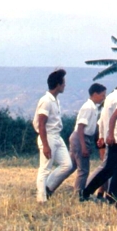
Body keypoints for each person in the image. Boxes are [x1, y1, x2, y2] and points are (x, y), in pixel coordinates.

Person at [33, 69, 73, 203]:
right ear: (58, 84)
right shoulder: (46, 101)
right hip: (48, 136)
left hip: (57, 136)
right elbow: (41, 124)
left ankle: (47, 188)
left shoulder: (55, 100)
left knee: (67, 165)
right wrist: (45, 145)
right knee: (44, 169)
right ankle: (41, 199)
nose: (65, 85)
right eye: (63, 83)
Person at [68, 83, 106, 196]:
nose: (104, 97)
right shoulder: (88, 107)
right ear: (95, 94)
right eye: (102, 95)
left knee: (71, 166)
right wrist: (83, 146)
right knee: (83, 169)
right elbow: (80, 127)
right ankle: (79, 194)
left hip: (84, 138)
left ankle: (51, 185)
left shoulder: (93, 108)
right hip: (81, 138)